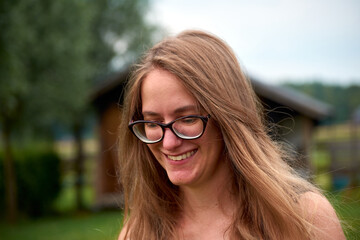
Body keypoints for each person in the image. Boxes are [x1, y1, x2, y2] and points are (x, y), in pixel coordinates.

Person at [118, 30, 345, 240]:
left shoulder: (305, 218)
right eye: (153, 123)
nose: (169, 142)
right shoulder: (137, 233)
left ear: (227, 119)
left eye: (188, 119)